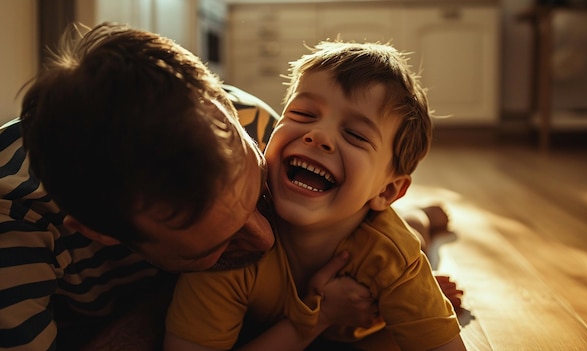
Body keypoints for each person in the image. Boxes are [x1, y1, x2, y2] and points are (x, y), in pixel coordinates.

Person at [0, 23, 378, 351]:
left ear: (228, 106)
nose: (266, 239)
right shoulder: (16, 227)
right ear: (98, 232)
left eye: (261, 194)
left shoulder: (253, 122)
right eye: (217, 246)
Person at [164, 41, 466, 350]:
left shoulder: (392, 256)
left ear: (386, 190)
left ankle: (422, 216)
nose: (318, 135)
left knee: (413, 232)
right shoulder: (235, 237)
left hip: (383, 261)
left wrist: (416, 295)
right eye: (303, 113)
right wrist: (319, 317)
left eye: (356, 135)